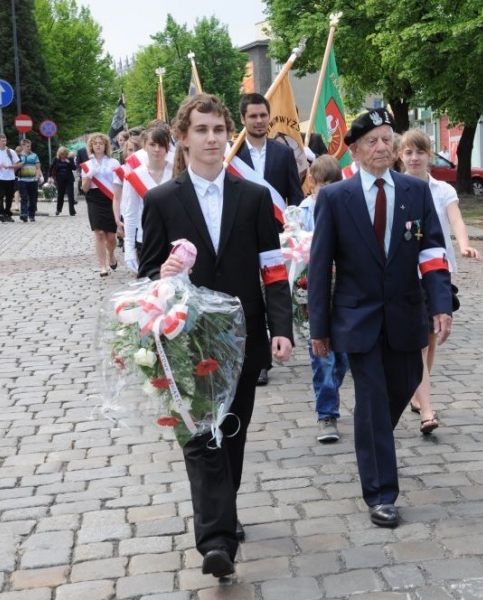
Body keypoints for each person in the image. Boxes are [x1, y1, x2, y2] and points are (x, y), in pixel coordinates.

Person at [139, 92, 293, 578]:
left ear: (231, 135)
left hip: (242, 336)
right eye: (201, 130)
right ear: (182, 138)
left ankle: (223, 511)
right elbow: (147, 276)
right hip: (185, 341)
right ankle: (216, 541)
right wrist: (163, 274)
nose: (212, 138)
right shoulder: (161, 200)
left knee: (233, 431)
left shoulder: (253, 196)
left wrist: (282, 328)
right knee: (200, 436)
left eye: (219, 130)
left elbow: (272, 268)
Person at [308, 108, 453, 528]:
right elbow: (320, 267)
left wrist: (441, 304)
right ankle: (381, 493)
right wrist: (320, 329)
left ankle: (372, 439)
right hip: (358, 319)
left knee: (406, 383)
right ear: (353, 150)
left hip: (407, 314)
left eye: (388, 139)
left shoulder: (415, 191)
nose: (382, 147)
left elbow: (431, 253)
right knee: (371, 400)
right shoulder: (337, 198)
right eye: (372, 141)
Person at [398, 129, 483, 435]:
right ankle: (428, 410)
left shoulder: (442, 190)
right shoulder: (395, 188)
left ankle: (419, 393)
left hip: (437, 272)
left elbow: (456, 218)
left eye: (419, 152)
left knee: (431, 338)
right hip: (408, 274)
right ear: (400, 156)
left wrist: (463, 244)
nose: (414, 158)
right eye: (408, 152)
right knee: (421, 342)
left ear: (429, 155)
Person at [235, 92, 305, 386]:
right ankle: (259, 359)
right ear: (243, 119)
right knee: (250, 296)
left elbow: (295, 196)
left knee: (273, 293)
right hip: (241, 235)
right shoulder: (233, 154)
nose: (259, 121)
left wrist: (297, 226)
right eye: (253, 116)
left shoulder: (283, 153)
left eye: (263, 115)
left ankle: (275, 342)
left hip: (276, 235)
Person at [294, 155, 350, 443]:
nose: (327, 190)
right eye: (322, 184)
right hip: (312, 292)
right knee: (322, 358)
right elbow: (292, 244)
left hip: (342, 292)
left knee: (342, 359)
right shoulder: (302, 212)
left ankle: (330, 388)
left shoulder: (347, 207)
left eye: (333, 184)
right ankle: (326, 414)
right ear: (312, 184)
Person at [121, 126, 173, 273]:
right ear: (144, 146)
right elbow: (130, 213)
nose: (157, 149)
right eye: (152, 144)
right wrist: (129, 248)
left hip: (174, 239)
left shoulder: (177, 172)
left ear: (167, 147)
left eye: (161, 144)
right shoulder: (134, 176)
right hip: (146, 239)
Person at [80, 133, 121, 277]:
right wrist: (90, 174)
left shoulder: (113, 163)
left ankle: (111, 255)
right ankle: (103, 266)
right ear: (91, 146)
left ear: (105, 146)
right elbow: (84, 188)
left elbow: (119, 183)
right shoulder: (87, 165)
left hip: (110, 198)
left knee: (110, 236)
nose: (98, 145)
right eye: (95, 143)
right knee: (99, 234)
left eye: (101, 143)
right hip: (94, 198)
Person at [0, 134, 20, 223]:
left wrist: (10, 166)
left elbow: (17, 164)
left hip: (10, 177)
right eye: (2, 141)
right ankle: (1, 213)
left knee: (9, 196)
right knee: (0, 196)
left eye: (5, 141)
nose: (4, 142)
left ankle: (8, 213)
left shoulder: (11, 152)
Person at [17, 139, 43, 222]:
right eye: (27, 146)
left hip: (32, 180)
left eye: (30, 146)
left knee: (33, 198)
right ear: (23, 146)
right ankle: (24, 214)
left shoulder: (34, 155)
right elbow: (15, 166)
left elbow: (38, 167)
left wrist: (37, 177)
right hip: (22, 180)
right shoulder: (19, 156)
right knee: (24, 197)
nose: (29, 148)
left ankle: (31, 214)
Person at [49, 146, 77, 216]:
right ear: (59, 154)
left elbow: (74, 168)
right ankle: (58, 210)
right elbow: (51, 168)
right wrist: (50, 177)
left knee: (71, 195)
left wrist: (69, 162)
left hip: (69, 179)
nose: (63, 156)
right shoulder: (56, 159)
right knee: (60, 195)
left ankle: (72, 211)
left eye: (64, 154)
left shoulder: (70, 159)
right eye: (62, 154)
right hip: (60, 179)